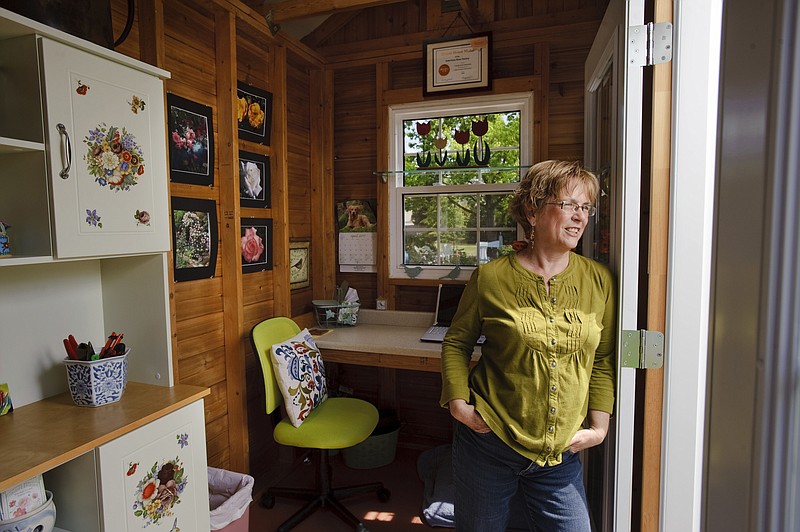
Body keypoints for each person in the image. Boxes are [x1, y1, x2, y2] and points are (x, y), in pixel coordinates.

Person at [440, 160, 616, 531]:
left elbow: (601, 359)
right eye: (569, 204)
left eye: (585, 208)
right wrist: (459, 404)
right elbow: (457, 342)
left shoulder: (599, 280)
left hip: (560, 455)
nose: (579, 217)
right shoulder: (490, 277)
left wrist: (599, 428)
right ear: (533, 212)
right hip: (488, 445)